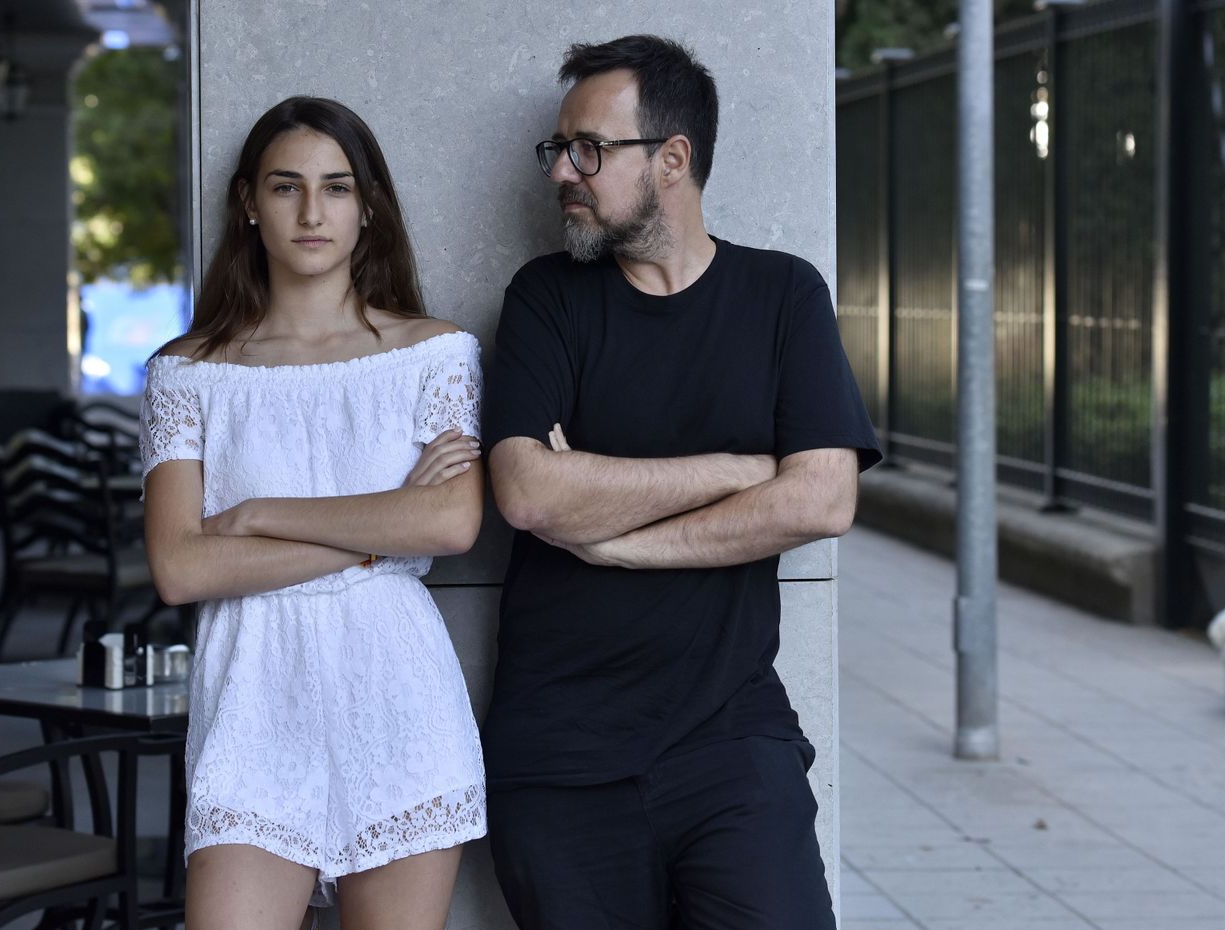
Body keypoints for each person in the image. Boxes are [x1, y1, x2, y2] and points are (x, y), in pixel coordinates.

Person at [482, 35, 881, 930]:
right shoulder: (546, 299)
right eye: (558, 150)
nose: (562, 174)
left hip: (732, 741)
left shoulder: (783, 296)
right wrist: (739, 472)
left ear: (672, 159)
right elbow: (527, 494)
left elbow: (822, 498)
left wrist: (616, 541)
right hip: (560, 756)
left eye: (590, 149)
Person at [138, 96, 487, 929]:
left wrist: (257, 513)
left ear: (367, 206)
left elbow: (449, 526)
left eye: (335, 187)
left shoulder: (435, 354)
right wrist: (382, 529)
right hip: (252, 701)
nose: (310, 211)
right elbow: (181, 569)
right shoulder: (185, 375)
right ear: (248, 203)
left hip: (398, 700)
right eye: (286, 186)